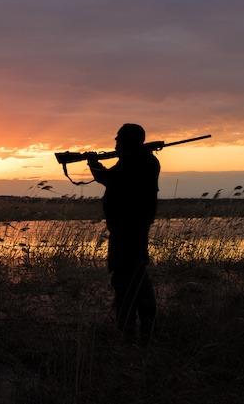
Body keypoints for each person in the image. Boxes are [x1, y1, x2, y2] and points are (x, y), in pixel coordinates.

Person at [88, 123, 160, 345]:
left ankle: (129, 331)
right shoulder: (142, 159)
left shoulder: (137, 161)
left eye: (119, 139)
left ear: (128, 141)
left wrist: (93, 164)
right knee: (135, 275)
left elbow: (110, 179)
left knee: (126, 278)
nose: (115, 143)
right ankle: (141, 328)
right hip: (129, 229)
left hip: (128, 231)